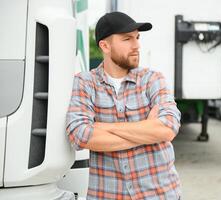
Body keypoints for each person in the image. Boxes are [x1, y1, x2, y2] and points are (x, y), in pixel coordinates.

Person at [66, 11, 181, 200]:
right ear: (105, 45)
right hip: (108, 195)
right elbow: (80, 136)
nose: (137, 45)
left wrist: (101, 127)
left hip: (160, 194)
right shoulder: (85, 83)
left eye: (137, 37)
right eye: (127, 39)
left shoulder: (152, 79)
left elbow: (168, 128)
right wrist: (147, 133)